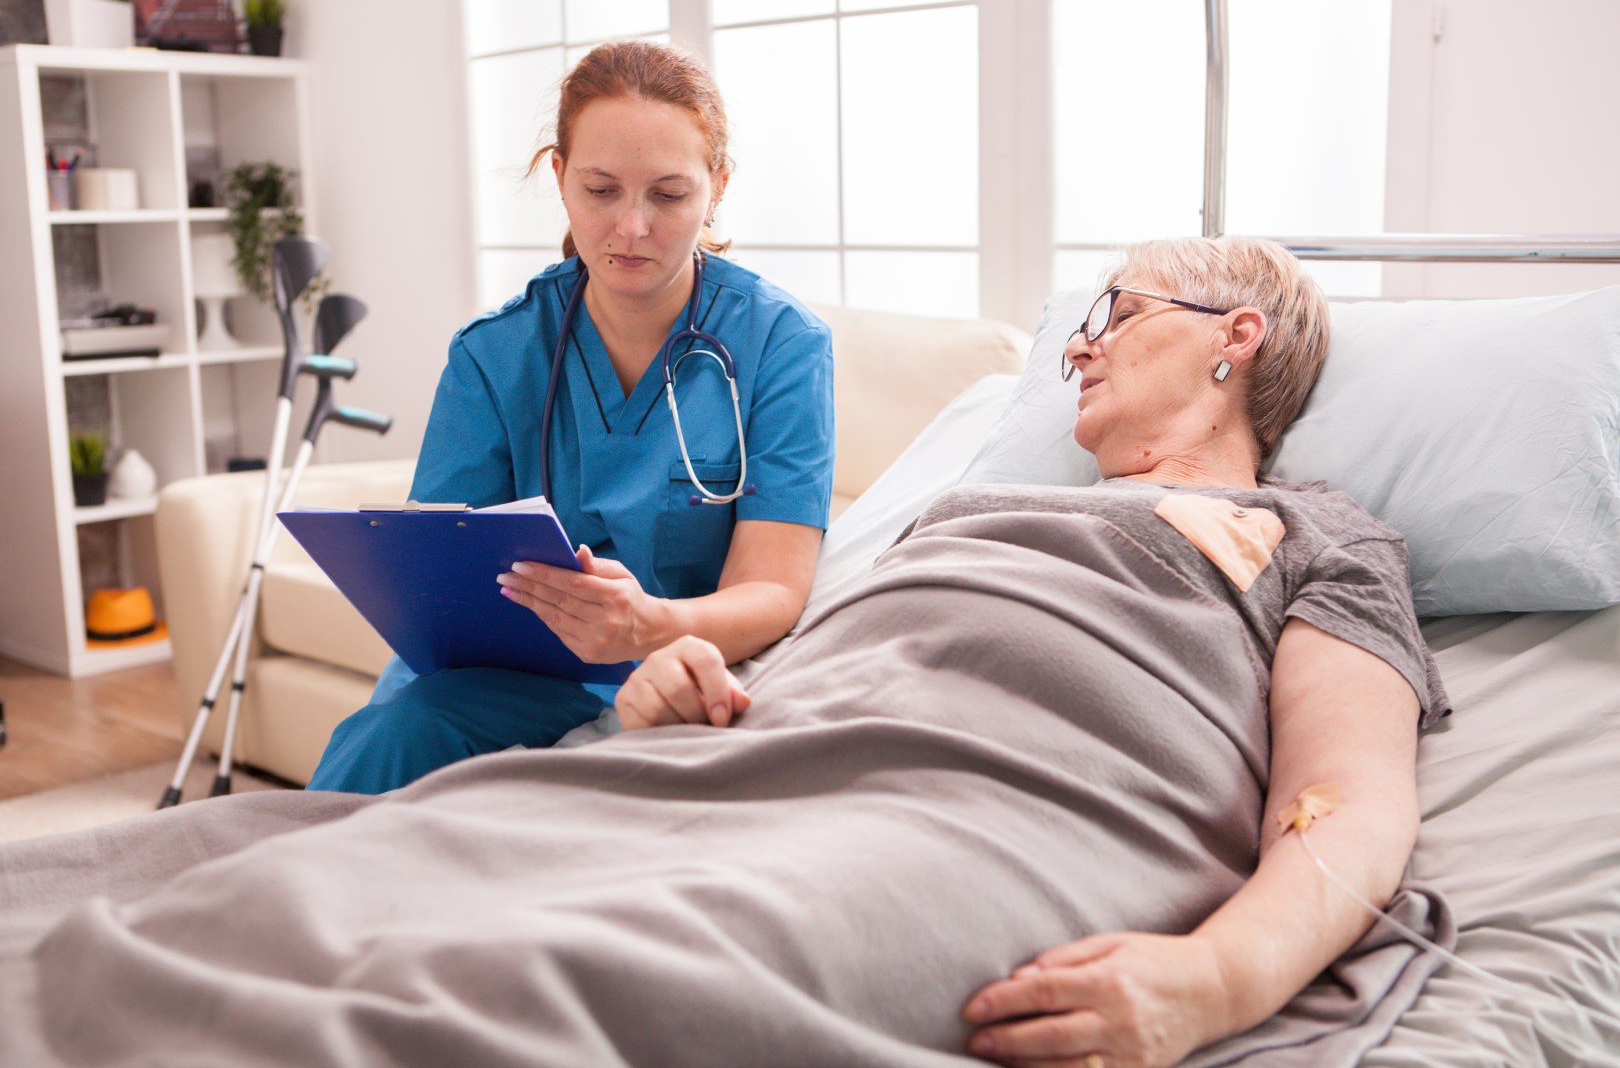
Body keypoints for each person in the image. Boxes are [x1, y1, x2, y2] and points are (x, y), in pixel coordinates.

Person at [0, 238, 1449, 1068]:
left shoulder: (1314, 537)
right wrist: (678, 691)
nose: (1078, 347)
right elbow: (825, 657)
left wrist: (1215, 983)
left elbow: (1352, 804)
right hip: (756, 768)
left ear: (1232, 338)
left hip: (983, 811)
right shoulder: (968, 508)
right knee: (269, 873)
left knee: (547, 976)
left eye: (1114, 314)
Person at [306, 41, 836, 794]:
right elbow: (443, 585)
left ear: (716, 186)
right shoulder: (495, 354)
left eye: (669, 194)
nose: (631, 227)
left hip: (681, 662)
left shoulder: (781, 346)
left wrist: (648, 623)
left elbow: (773, 590)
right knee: (394, 736)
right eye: (600, 189)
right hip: (510, 677)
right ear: (558, 178)